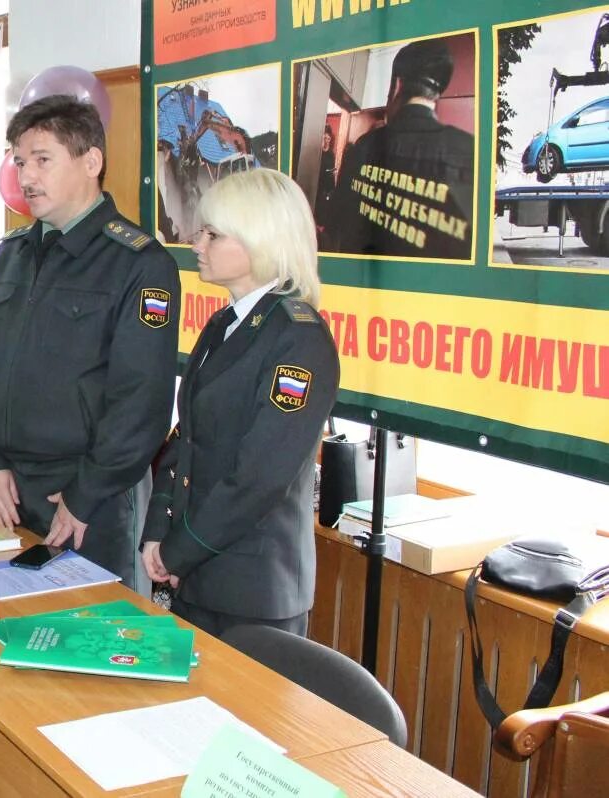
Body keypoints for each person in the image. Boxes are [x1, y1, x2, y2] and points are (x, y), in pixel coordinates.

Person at [0, 95, 180, 591]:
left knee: (92, 642)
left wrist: (85, 495)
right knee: (9, 637)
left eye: (43, 160)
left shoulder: (138, 264)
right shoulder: (12, 254)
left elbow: (142, 400)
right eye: (20, 161)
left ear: (91, 161)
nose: (26, 177)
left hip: (92, 497)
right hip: (9, 489)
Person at [141, 169, 339, 637]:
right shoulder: (224, 325)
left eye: (213, 233)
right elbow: (184, 438)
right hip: (196, 571)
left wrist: (177, 550)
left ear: (259, 241)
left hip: (253, 588)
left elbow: (260, 476)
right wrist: (158, 529)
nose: (196, 243)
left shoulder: (298, 339)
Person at [325, 38, 474, 260]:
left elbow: (334, 226)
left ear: (397, 86)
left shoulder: (365, 146)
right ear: (437, 94)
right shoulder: (469, 152)